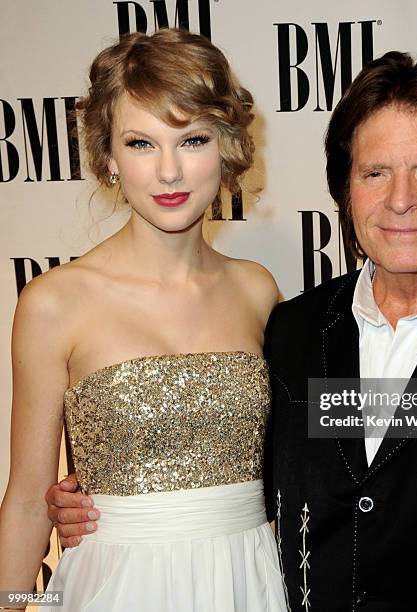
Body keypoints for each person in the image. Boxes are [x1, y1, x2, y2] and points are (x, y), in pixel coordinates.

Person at [42, 51, 417, 610]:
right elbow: (238, 478)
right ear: (345, 193)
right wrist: (105, 503)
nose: (400, 199)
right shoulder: (295, 332)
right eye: (374, 173)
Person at [0, 29, 287, 612]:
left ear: (227, 146)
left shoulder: (258, 290)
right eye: (140, 143)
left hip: (248, 584)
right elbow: (29, 500)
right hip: (115, 587)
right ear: (107, 157)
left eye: (193, 139)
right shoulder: (55, 301)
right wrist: (11, 604)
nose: (170, 172)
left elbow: (291, 472)